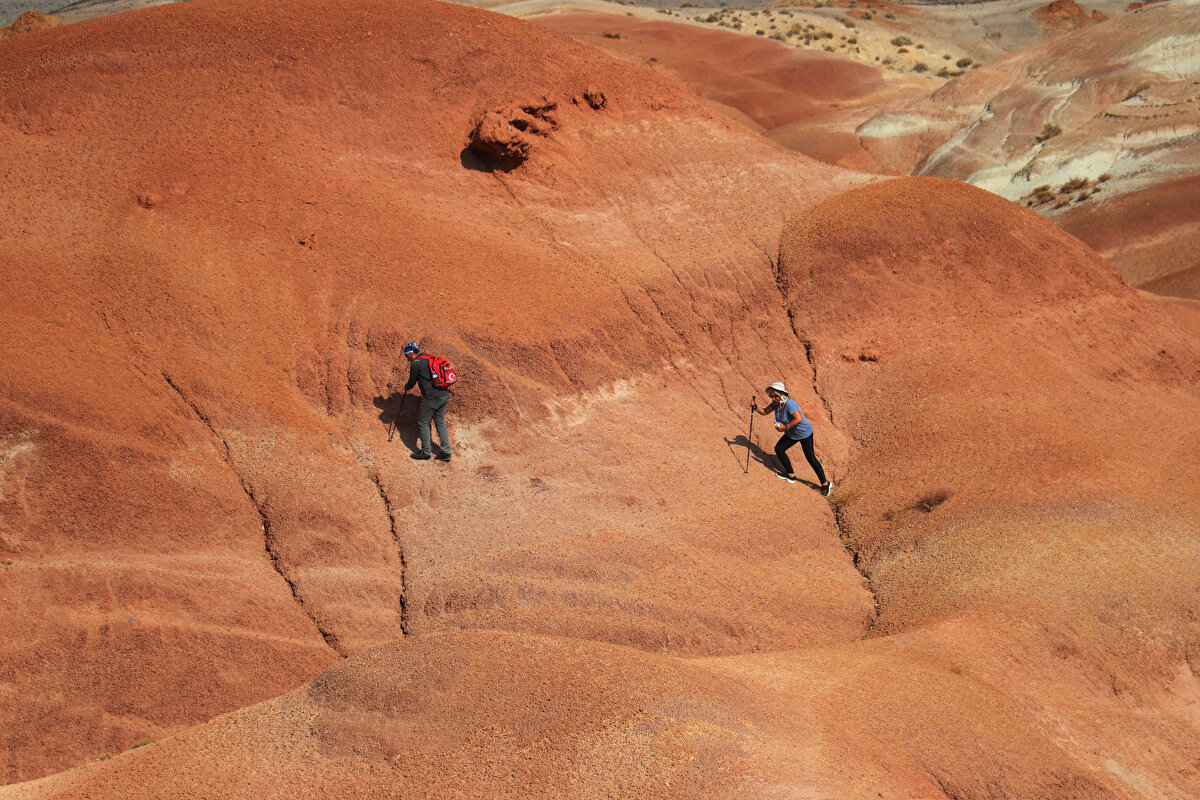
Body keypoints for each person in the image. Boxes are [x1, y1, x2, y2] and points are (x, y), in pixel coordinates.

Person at [752, 381, 831, 495]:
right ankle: (790, 475)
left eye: (775, 396)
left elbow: (798, 419)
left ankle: (825, 484)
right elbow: (764, 412)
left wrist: (785, 427)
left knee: (811, 458)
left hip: (804, 433)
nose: (773, 398)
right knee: (779, 449)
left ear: (781, 394)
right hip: (792, 433)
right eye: (772, 396)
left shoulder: (790, 403)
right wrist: (755, 407)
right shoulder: (776, 404)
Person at [402, 342, 452, 462]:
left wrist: (406, 387)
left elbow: (411, 382)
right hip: (444, 395)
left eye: (406, 356)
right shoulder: (430, 358)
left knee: (423, 422)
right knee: (440, 423)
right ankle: (446, 452)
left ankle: (425, 452)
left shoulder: (416, 364)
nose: (407, 359)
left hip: (431, 398)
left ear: (411, 354)